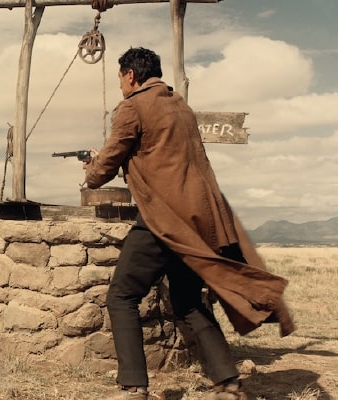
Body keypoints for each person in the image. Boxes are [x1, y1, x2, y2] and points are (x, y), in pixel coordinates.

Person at [82, 47, 294, 400]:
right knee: (188, 302)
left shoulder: (132, 106)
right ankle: (228, 384)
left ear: (130, 76)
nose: (120, 85)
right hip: (197, 222)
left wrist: (91, 170)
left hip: (163, 219)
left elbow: (105, 166)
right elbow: (160, 157)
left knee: (121, 295)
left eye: (120, 78)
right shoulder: (180, 106)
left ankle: (134, 386)